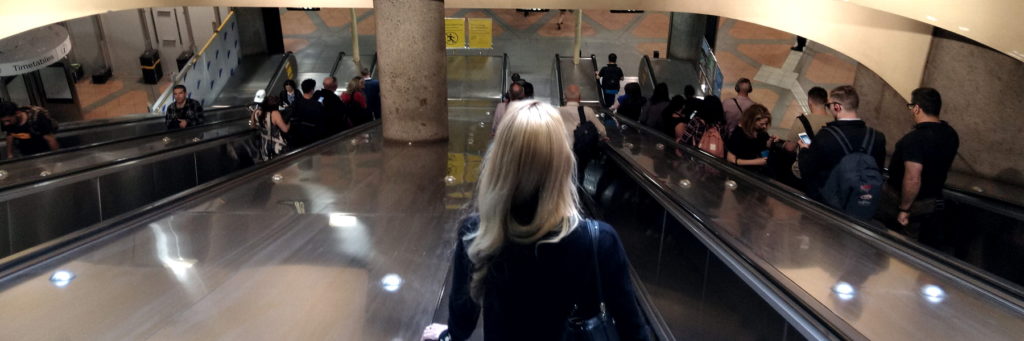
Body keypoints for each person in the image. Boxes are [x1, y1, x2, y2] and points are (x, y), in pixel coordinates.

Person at [424, 100, 651, 341]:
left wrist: (446, 336)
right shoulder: (599, 241)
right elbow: (634, 331)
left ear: (499, 163)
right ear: (563, 163)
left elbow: (462, 324)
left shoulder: (478, 234)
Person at [883, 88, 959, 245]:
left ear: (917, 108)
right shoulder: (950, 135)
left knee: (897, 242)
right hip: (932, 201)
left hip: (909, 203)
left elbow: (913, 177)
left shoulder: (915, 139)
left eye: (911, 107)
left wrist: (904, 209)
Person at [798, 85, 887, 204]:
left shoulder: (826, 136)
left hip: (828, 203)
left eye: (829, 105)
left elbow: (807, 171)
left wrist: (804, 151)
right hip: (860, 203)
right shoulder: (877, 137)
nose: (829, 109)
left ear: (837, 107)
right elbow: (878, 172)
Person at [559, 85, 609, 180]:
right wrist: (603, 137)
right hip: (581, 150)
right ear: (579, 98)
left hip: (562, 150)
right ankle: (578, 189)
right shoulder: (587, 111)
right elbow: (602, 130)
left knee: (562, 174)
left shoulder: (557, 111)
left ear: (565, 97)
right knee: (579, 173)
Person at [726, 104, 774, 173]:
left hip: (757, 172)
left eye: (766, 124)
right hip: (741, 172)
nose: (764, 126)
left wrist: (770, 141)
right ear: (752, 121)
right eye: (762, 124)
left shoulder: (761, 132)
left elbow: (763, 146)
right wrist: (756, 162)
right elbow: (731, 159)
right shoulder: (739, 133)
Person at [289, 78, 327, 147]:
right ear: (312, 90)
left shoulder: (295, 103)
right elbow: (322, 121)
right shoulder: (317, 105)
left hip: (299, 137)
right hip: (313, 138)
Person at [252, 95, 289, 160]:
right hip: (276, 146)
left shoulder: (256, 112)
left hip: (264, 145)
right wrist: (289, 123)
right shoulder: (274, 113)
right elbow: (285, 129)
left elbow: (253, 125)